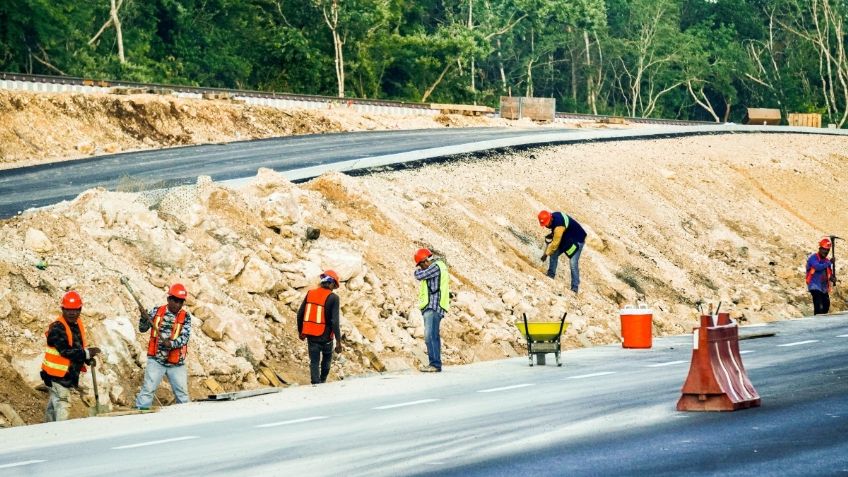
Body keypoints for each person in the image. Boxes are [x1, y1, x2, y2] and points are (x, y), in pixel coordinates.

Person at [41, 291, 101, 422]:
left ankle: (47, 432)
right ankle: (61, 436)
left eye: (75, 310)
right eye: (68, 310)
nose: (72, 313)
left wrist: (86, 357)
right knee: (63, 404)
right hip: (56, 376)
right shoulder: (57, 328)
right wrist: (86, 353)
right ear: (63, 309)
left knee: (54, 404)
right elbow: (65, 351)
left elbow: (76, 347)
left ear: (80, 309)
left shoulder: (76, 324)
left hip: (66, 375)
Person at [135, 283, 192, 409]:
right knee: (147, 391)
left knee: (182, 395)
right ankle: (140, 416)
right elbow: (142, 328)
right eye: (175, 300)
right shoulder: (156, 311)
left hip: (176, 363)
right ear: (169, 299)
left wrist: (171, 344)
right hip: (157, 360)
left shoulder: (186, 317)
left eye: (181, 302)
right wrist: (144, 318)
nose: (178, 304)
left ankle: (187, 419)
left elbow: (184, 338)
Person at [297, 270, 343, 384]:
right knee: (326, 362)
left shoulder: (310, 293)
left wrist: (301, 332)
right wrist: (338, 341)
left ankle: (315, 384)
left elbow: (300, 314)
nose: (334, 289)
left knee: (314, 362)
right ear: (331, 283)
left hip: (311, 336)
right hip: (326, 337)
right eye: (334, 286)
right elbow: (335, 321)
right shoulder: (334, 298)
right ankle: (322, 382)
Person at [414, 248, 450, 373]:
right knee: (434, 336)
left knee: (430, 336)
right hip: (435, 306)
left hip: (433, 306)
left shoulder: (435, 267)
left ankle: (434, 364)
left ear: (425, 261)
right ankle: (436, 363)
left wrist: (418, 271)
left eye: (421, 265)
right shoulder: (440, 266)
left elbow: (418, 275)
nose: (421, 268)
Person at [538, 210, 587, 293]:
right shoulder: (553, 217)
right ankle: (550, 275)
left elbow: (555, 243)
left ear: (550, 219)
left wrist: (546, 254)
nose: (545, 226)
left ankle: (575, 287)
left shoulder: (558, 226)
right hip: (567, 237)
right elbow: (559, 230)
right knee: (553, 254)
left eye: (546, 224)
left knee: (573, 263)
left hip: (578, 239)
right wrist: (552, 234)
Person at [806, 237, 835, 315]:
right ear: (820, 248)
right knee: (818, 304)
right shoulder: (813, 258)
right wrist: (829, 262)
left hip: (823, 287)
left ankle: (821, 320)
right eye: (824, 249)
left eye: (827, 250)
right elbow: (818, 267)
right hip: (814, 285)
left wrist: (832, 278)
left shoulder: (826, 261)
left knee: (826, 304)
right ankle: (817, 321)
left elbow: (829, 273)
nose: (825, 251)